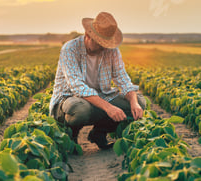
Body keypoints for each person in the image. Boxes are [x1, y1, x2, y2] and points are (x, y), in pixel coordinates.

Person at [49, 12, 146, 150]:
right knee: (80, 109)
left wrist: (134, 103)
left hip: (99, 98)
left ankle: (98, 133)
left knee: (139, 103)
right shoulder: (70, 49)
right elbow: (78, 88)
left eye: (106, 44)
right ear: (88, 36)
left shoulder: (111, 51)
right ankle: (71, 135)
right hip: (70, 99)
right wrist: (109, 107)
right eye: (101, 44)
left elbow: (123, 79)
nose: (104, 48)